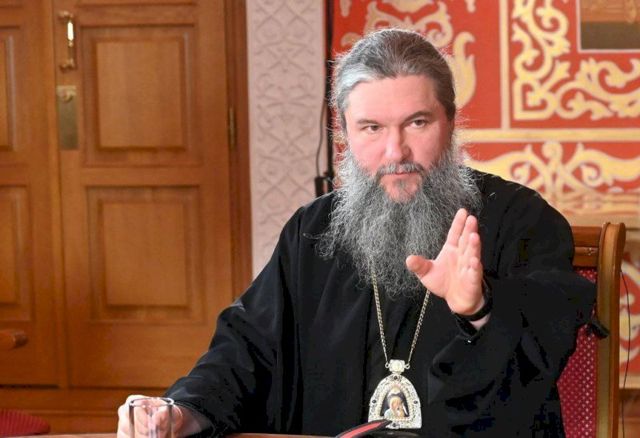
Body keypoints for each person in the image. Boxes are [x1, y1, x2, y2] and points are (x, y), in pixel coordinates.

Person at [117, 28, 595, 437]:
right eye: (371, 128)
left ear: (450, 124)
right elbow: (246, 349)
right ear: (345, 133)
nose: (395, 151)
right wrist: (183, 410)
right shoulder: (312, 231)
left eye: (417, 122)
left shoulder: (520, 219)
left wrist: (479, 310)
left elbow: (546, 346)